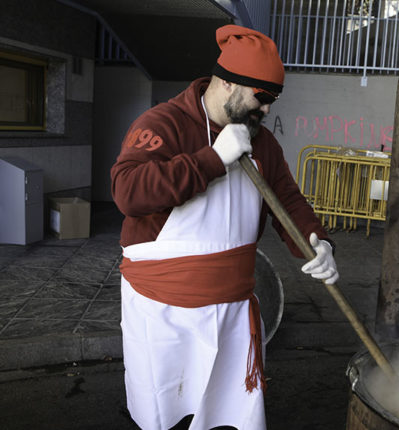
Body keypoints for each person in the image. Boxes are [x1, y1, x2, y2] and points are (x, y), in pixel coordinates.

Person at [110, 24, 339, 430]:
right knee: (166, 413)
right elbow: (128, 192)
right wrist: (213, 160)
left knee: (229, 417)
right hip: (164, 312)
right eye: (261, 97)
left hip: (232, 314)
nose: (266, 110)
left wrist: (317, 242)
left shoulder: (263, 143)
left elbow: (288, 201)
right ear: (228, 82)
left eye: (273, 100)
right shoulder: (163, 123)